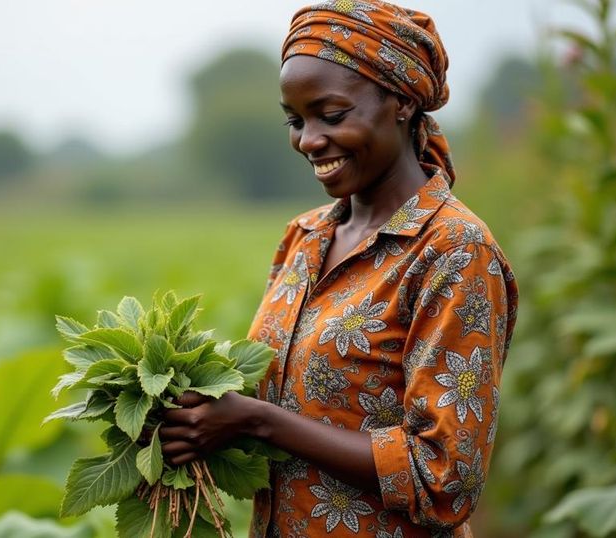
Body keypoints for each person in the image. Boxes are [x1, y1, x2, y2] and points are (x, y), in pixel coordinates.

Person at [159, 1, 518, 536]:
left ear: (399, 102)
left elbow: (446, 476)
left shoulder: (454, 251)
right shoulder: (303, 238)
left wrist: (259, 421)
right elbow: (286, 399)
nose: (308, 140)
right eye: (295, 120)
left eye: (331, 115)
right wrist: (195, 415)